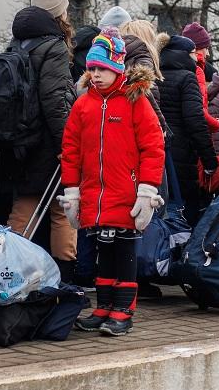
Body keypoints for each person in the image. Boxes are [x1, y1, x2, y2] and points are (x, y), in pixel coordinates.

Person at [60, 29, 164, 337]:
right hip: (94, 193)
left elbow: (153, 147)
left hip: (127, 193)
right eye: (91, 68)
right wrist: (72, 192)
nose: (94, 75)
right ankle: (103, 307)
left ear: (117, 67)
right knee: (102, 251)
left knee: (124, 252)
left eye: (101, 69)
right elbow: (71, 150)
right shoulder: (83, 106)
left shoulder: (136, 102)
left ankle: (124, 310)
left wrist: (146, 191)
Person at [1, 0, 78, 278]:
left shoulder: (17, 42)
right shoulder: (54, 46)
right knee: (63, 211)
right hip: (47, 143)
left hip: (19, 140)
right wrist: (68, 146)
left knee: (22, 207)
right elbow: (57, 102)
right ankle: (65, 279)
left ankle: (6, 268)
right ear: (59, 12)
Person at [158, 34, 218, 225]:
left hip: (157, 152)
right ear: (184, 54)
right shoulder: (187, 78)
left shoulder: (155, 75)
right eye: (194, 53)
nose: (197, 57)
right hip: (182, 154)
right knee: (185, 215)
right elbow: (195, 121)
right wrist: (210, 161)